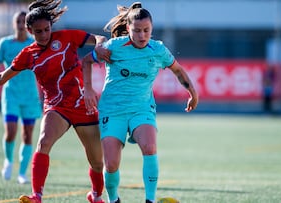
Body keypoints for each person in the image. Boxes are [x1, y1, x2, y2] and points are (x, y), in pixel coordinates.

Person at [0, 0, 111, 203]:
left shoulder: (67, 37)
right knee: (44, 141)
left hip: (84, 105)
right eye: (38, 31)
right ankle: (36, 195)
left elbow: (99, 37)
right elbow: (2, 77)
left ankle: (96, 195)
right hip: (57, 107)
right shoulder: (28, 55)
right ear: (30, 31)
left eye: (47, 29)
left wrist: (99, 46)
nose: (44, 34)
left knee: (98, 163)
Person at [82, 2, 199, 203]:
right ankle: (114, 200)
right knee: (111, 164)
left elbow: (177, 70)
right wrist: (88, 89)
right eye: (137, 31)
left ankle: (150, 200)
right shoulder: (113, 47)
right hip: (113, 110)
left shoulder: (158, 49)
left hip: (142, 109)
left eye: (146, 30)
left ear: (151, 29)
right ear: (128, 29)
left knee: (150, 147)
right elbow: (86, 61)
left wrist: (192, 92)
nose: (142, 35)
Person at [0, 11, 42, 185]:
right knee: (10, 133)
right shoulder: (5, 43)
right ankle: (8, 160)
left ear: (28, 25)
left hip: (30, 96)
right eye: (18, 21)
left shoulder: (34, 44)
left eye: (24, 21)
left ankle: (22, 173)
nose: (21, 24)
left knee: (28, 135)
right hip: (11, 95)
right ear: (14, 24)